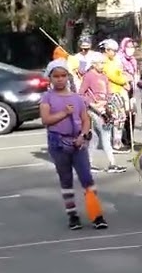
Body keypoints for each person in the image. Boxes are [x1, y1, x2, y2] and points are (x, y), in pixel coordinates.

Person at [41, 59, 108, 230]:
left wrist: (83, 135)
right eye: (56, 76)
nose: (60, 79)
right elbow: (46, 120)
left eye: (63, 75)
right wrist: (64, 113)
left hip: (78, 143)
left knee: (87, 178)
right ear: (50, 78)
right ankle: (72, 215)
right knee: (66, 180)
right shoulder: (47, 97)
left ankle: (96, 215)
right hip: (58, 143)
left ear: (68, 77)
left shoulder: (77, 98)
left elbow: (85, 119)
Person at [79, 52, 126, 174]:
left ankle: (87, 163)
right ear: (94, 64)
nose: (102, 65)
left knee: (95, 137)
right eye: (100, 63)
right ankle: (112, 163)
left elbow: (109, 93)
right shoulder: (88, 76)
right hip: (94, 110)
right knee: (105, 135)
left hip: (104, 108)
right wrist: (92, 104)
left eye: (103, 63)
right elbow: (80, 94)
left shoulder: (104, 76)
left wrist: (106, 101)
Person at [99, 40, 134, 152]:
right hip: (111, 92)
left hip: (119, 91)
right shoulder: (103, 61)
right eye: (112, 51)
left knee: (121, 117)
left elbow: (120, 72)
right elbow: (113, 75)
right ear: (106, 50)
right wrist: (125, 80)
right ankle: (116, 144)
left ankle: (117, 142)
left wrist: (126, 79)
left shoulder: (114, 60)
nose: (114, 53)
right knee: (117, 118)